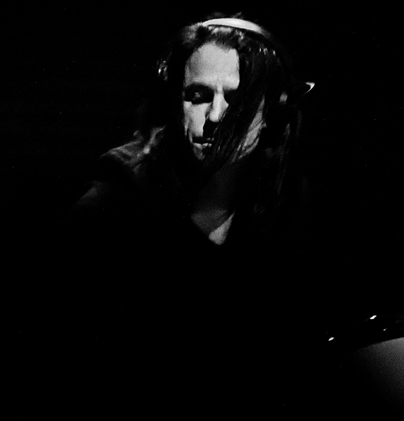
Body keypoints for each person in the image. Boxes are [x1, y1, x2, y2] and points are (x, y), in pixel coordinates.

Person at [60, 12, 322, 418]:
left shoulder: (290, 203)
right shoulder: (113, 207)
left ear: (275, 109)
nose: (215, 116)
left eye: (236, 98)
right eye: (198, 96)